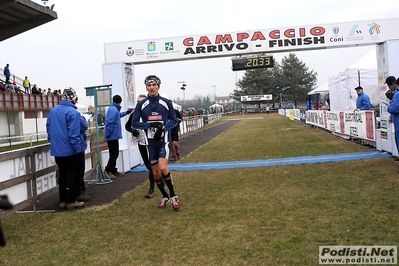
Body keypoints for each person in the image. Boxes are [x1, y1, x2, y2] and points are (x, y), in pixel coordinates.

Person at [131, 75, 180, 210]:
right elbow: (134, 123)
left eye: (154, 85)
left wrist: (163, 127)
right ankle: (165, 196)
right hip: (150, 142)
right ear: (146, 87)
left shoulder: (166, 102)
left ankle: (174, 196)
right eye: (149, 85)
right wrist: (149, 125)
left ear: (158, 86)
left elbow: (174, 120)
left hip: (163, 141)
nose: (151, 88)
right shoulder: (141, 104)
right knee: (156, 173)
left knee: (163, 168)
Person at [46, 88, 85, 210]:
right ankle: (71, 200)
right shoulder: (72, 112)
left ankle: (62, 199)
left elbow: (48, 129)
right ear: (73, 98)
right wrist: (78, 149)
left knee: (62, 174)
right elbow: (73, 134)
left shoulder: (53, 111)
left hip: (57, 149)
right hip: (69, 149)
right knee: (70, 175)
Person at [125, 94, 162, 199]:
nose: (139, 104)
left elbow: (161, 124)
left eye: (141, 102)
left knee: (152, 166)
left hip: (152, 143)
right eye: (137, 102)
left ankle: (152, 188)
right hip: (141, 143)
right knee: (149, 167)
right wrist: (133, 131)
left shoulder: (151, 113)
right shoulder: (134, 115)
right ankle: (158, 179)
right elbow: (127, 126)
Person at [104, 94, 132, 179]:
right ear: (120, 102)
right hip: (112, 136)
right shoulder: (113, 110)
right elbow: (110, 122)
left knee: (114, 154)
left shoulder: (113, 109)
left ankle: (113, 169)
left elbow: (118, 115)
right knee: (113, 154)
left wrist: (127, 112)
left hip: (113, 136)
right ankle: (108, 170)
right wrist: (108, 134)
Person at [75, 114, 90, 202]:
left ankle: (65, 198)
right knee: (79, 171)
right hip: (78, 147)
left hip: (62, 149)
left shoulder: (54, 114)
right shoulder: (76, 115)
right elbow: (84, 126)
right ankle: (80, 191)